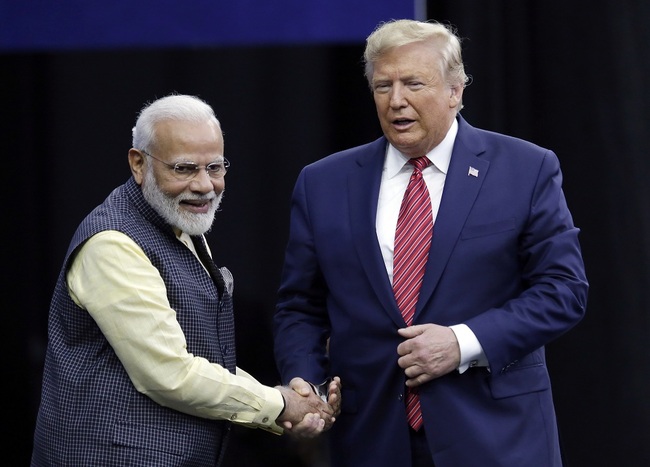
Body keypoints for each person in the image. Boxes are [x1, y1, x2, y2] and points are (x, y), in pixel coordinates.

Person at [273, 19, 588, 467]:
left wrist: (463, 342)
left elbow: (564, 290)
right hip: (372, 439)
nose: (396, 100)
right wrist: (306, 380)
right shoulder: (323, 182)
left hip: (498, 437)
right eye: (383, 86)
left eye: (413, 84)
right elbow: (300, 305)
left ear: (455, 91)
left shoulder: (525, 169)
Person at [31, 93, 340, 466]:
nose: (204, 185)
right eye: (184, 168)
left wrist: (284, 403)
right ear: (138, 163)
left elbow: (197, 358)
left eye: (215, 167)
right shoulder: (112, 243)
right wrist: (280, 404)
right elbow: (170, 374)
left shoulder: (175, 221)